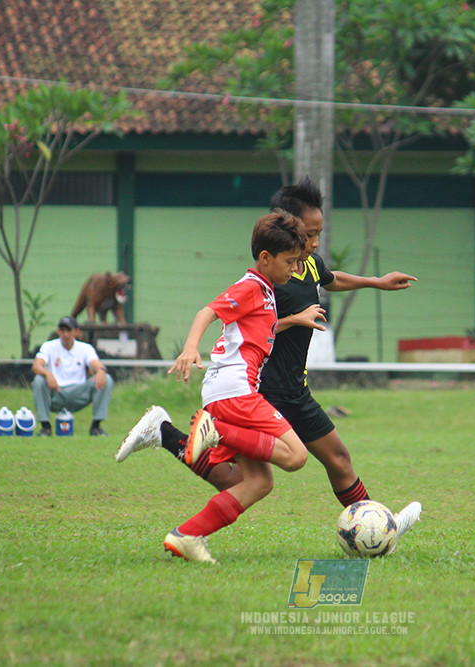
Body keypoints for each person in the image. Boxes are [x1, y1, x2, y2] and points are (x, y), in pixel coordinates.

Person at [117, 178, 422, 543]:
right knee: (240, 480)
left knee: (338, 459)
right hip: (264, 390)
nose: (313, 244)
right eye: (309, 235)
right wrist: (293, 320)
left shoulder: (305, 263)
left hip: (295, 389)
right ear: (288, 232)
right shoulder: (274, 273)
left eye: (318, 235)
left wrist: (376, 281)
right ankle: (170, 438)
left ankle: (375, 527)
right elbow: (253, 324)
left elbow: (329, 279)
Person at [117, 211, 310, 563]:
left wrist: (293, 321)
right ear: (265, 258)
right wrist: (191, 347)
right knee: (296, 456)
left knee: (256, 483)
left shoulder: (265, 291)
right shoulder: (251, 286)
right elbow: (208, 312)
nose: (295, 269)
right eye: (290, 261)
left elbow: (255, 330)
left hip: (228, 390)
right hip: (235, 391)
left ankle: (188, 535)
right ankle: (214, 430)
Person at [31, 316, 113, 436]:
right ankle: (45, 427)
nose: (65, 334)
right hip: (56, 391)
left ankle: (96, 427)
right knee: (39, 380)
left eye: (69, 330)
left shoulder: (85, 348)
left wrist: (100, 371)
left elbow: (96, 364)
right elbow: (36, 366)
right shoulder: (49, 346)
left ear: (76, 332)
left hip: (79, 392)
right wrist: (47, 373)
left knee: (107, 379)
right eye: (62, 330)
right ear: (58, 331)